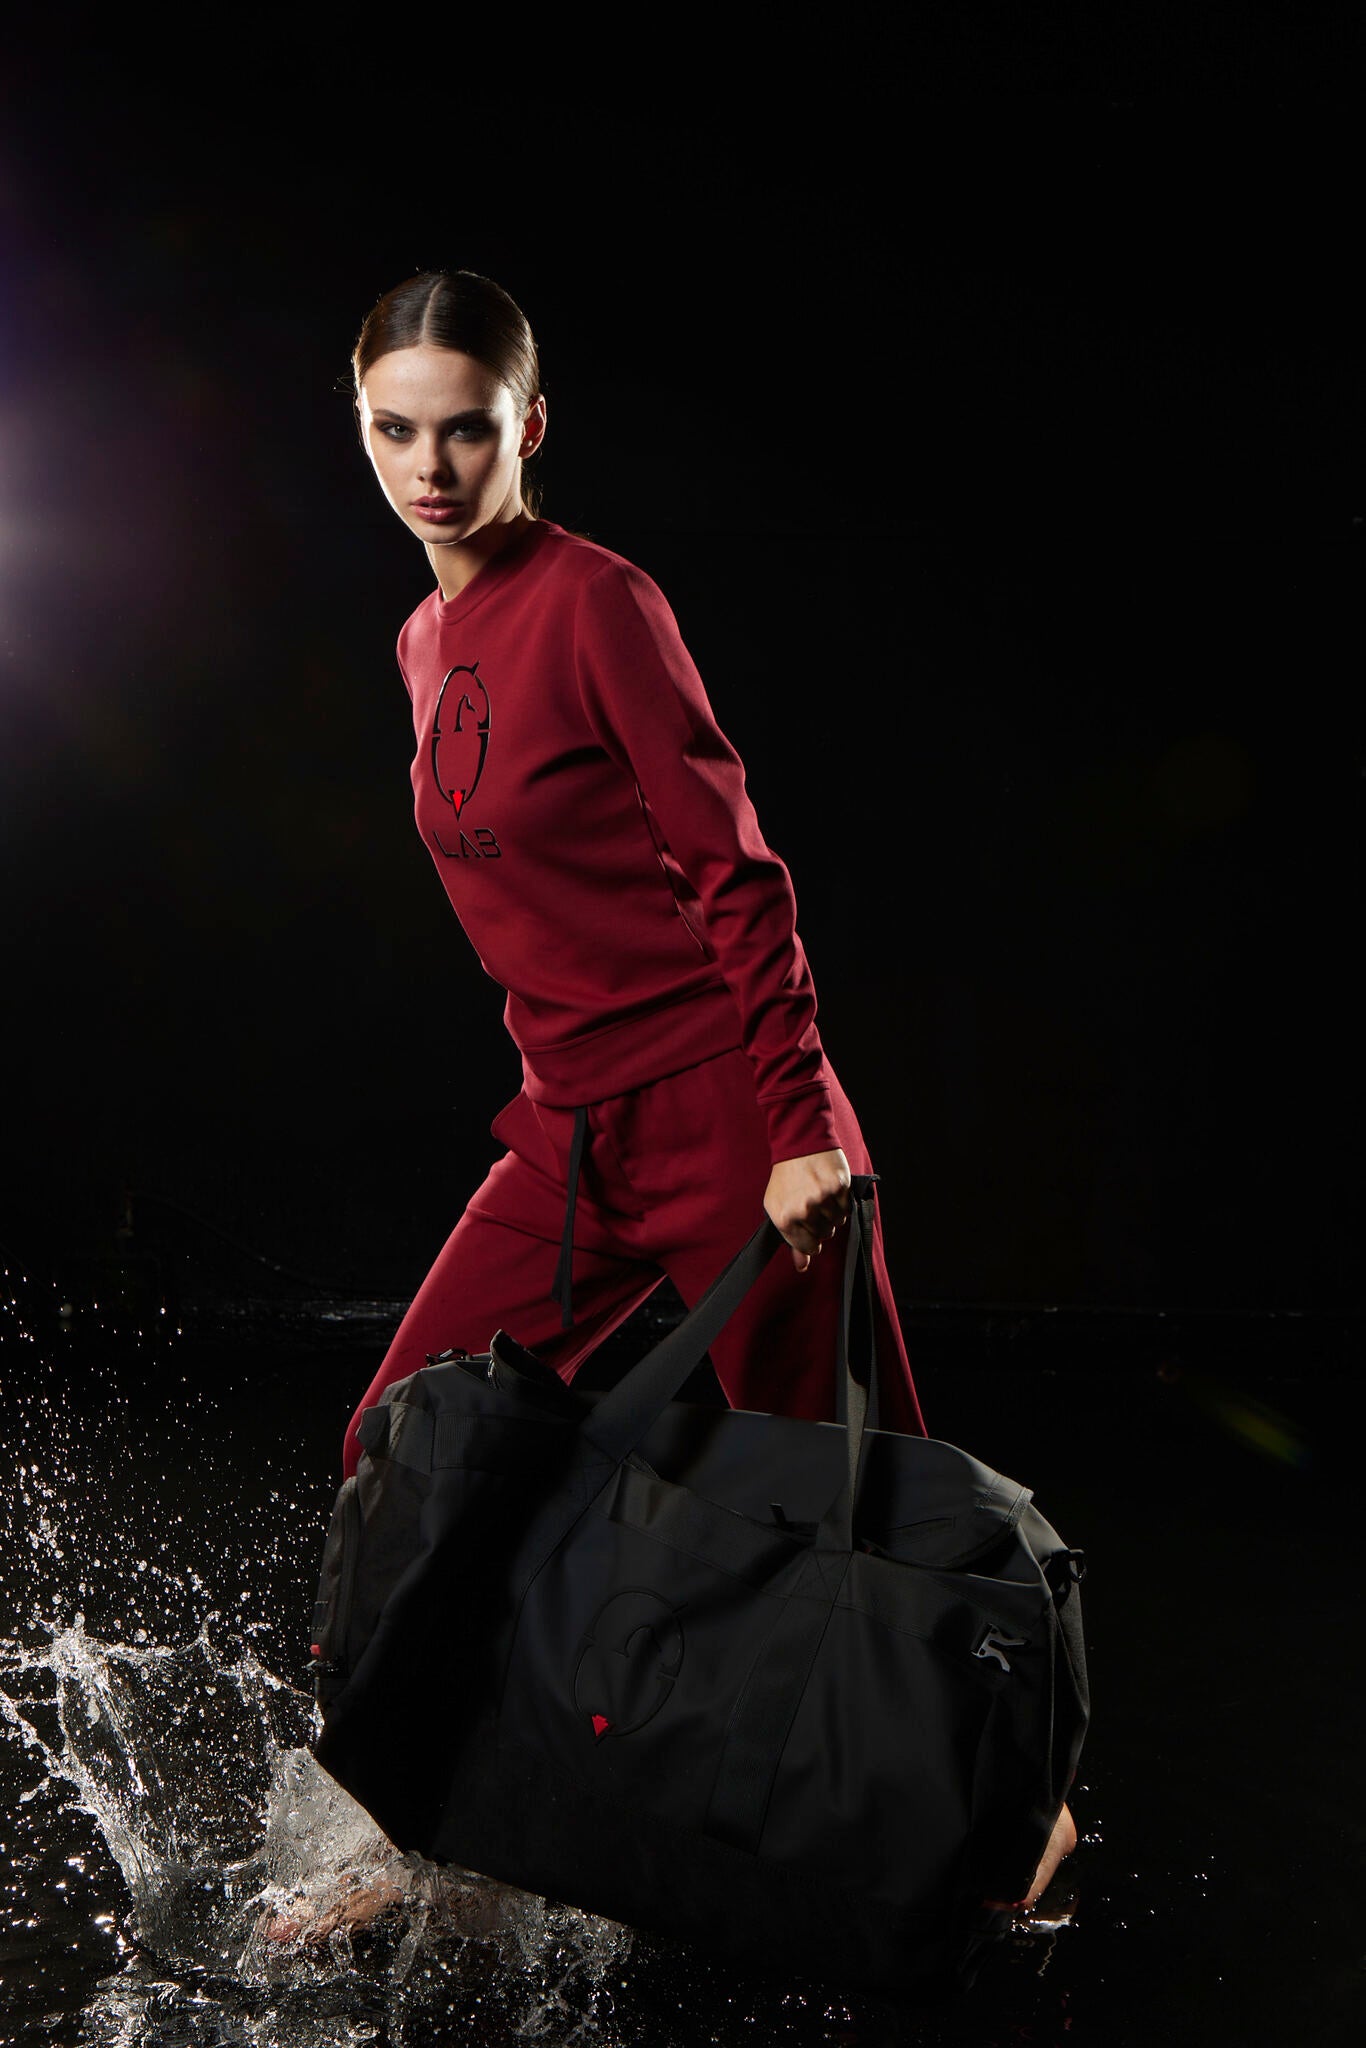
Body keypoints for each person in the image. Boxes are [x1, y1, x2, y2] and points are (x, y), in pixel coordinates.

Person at [287, 268, 1073, 1941]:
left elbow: (736, 871)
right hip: (571, 1128)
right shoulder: (421, 639)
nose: (429, 467)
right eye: (394, 431)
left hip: (728, 1109)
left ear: (529, 425)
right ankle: (432, 1825)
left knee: (860, 1497)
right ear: (357, 427)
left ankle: (1018, 1817)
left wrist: (798, 1124)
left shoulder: (599, 602)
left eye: (465, 430)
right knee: (409, 1441)